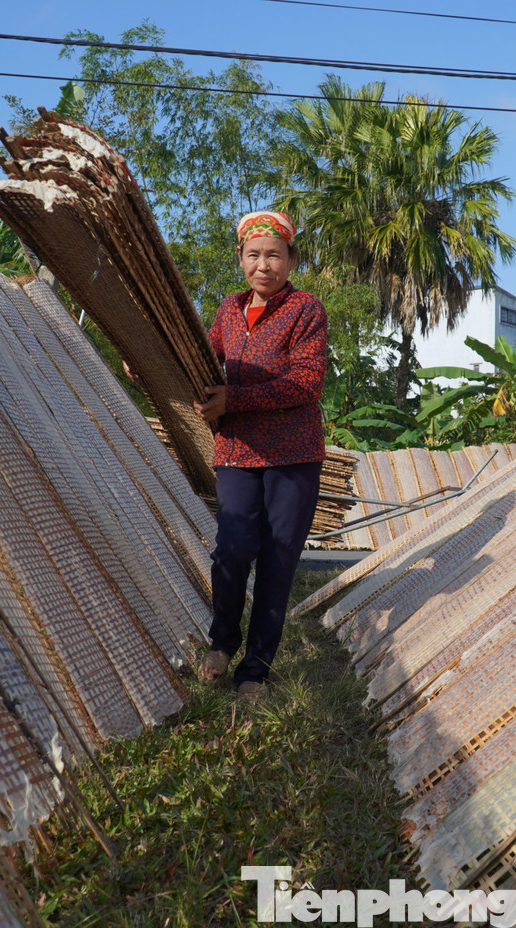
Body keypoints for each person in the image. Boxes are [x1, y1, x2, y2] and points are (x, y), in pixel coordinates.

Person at [193, 211, 328, 702]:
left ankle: (255, 671)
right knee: (231, 548)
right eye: (254, 255)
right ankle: (222, 643)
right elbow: (200, 360)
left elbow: (306, 382)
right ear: (240, 258)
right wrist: (146, 360)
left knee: (277, 560)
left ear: (292, 259)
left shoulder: (305, 309)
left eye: (274, 255)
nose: (263, 265)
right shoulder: (228, 310)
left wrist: (236, 399)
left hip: (293, 453)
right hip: (237, 449)